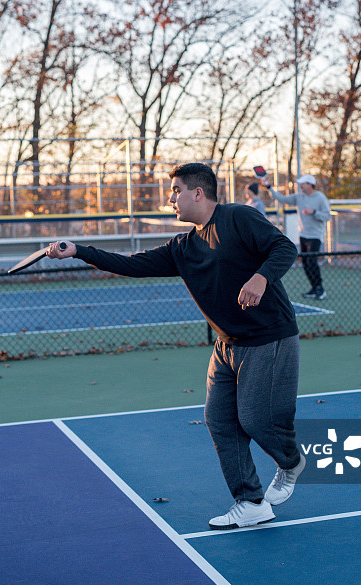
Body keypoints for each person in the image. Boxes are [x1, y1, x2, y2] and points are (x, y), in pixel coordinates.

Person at [48, 163, 305, 531]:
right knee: (219, 420)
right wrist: (78, 250)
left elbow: (284, 246)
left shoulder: (239, 218)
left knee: (256, 420)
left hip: (269, 336)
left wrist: (262, 277)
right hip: (226, 345)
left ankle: (291, 461)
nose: (171, 199)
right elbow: (131, 264)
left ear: (197, 193)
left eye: (175, 191)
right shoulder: (182, 247)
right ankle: (250, 501)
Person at [263, 174, 330, 299]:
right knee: (305, 262)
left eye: (303, 183)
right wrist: (268, 186)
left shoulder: (320, 198)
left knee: (312, 261)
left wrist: (314, 212)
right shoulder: (299, 197)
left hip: (315, 235)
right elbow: (281, 198)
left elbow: (327, 216)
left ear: (310, 184)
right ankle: (314, 288)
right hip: (303, 234)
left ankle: (320, 288)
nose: (300, 185)